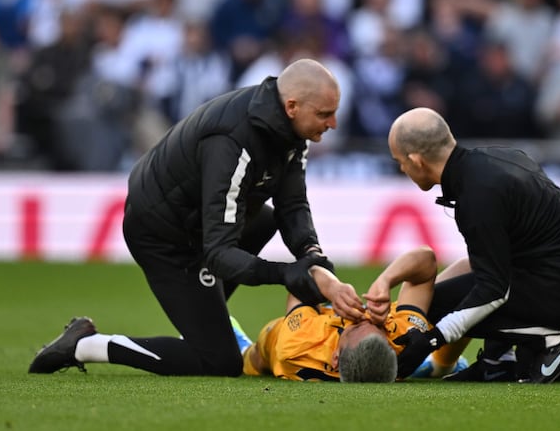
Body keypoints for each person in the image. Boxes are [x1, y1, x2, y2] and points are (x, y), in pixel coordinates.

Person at [29, 58, 363, 377]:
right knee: (219, 362)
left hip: (195, 222)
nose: (333, 123)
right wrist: (291, 274)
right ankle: (85, 346)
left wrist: (314, 260)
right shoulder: (234, 142)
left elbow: (292, 204)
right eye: (324, 114)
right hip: (162, 234)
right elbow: (218, 253)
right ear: (292, 107)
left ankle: (208, 325)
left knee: (265, 220)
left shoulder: (289, 129)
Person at [387, 107, 560, 383]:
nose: (402, 169)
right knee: (454, 296)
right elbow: (496, 261)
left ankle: (553, 341)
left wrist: (432, 340)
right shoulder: (496, 159)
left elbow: (493, 289)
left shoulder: (477, 196)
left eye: (400, 161)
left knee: (455, 304)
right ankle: (497, 361)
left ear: (417, 161)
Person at [240, 246, 466, 382]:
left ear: (336, 356)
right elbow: (426, 259)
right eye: (379, 326)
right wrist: (385, 280)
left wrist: (332, 288)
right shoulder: (402, 343)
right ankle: (440, 365)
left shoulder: (298, 344)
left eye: (357, 326)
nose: (365, 316)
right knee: (469, 268)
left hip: (277, 342)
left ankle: (242, 348)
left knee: (256, 357)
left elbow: (300, 278)